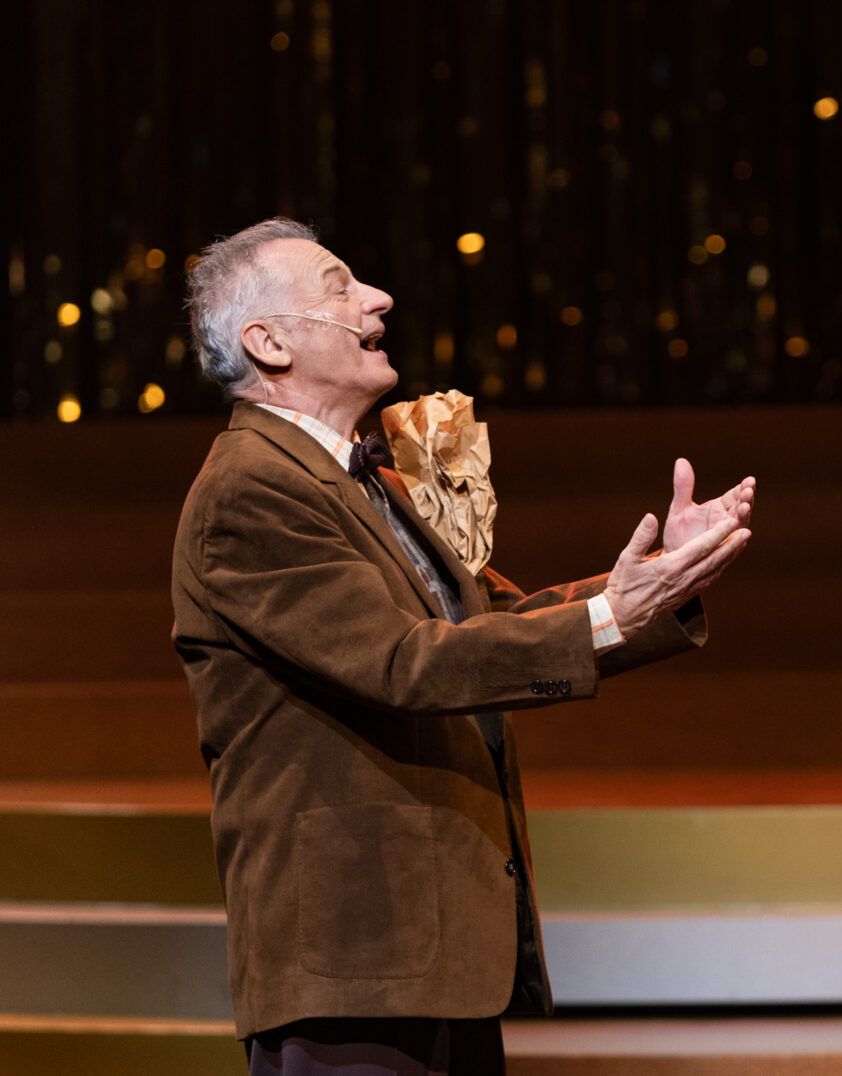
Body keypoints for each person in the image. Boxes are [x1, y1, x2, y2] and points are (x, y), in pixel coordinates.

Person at [171, 218, 755, 1074]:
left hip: (435, 956)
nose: (378, 298)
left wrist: (656, 582)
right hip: (354, 962)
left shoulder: (361, 480)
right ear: (267, 343)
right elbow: (405, 662)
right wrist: (616, 615)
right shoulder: (249, 490)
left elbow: (486, 622)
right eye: (339, 285)